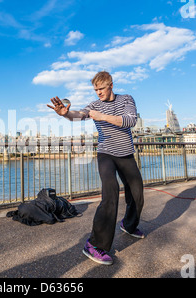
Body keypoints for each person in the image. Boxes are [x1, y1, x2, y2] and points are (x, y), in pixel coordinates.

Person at [47, 71, 144, 266]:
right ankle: (94, 245)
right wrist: (66, 114)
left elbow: (130, 120)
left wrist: (102, 116)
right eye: (95, 89)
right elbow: (80, 114)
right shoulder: (94, 105)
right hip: (106, 154)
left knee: (137, 194)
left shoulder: (126, 99)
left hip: (125, 153)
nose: (98, 92)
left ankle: (129, 224)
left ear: (111, 85)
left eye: (101, 88)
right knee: (111, 194)